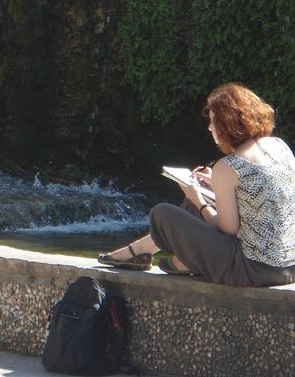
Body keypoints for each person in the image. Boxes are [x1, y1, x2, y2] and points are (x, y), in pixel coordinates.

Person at [97, 83, 295, 287]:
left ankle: (175, 259)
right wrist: (214, 182)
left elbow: (228, 228)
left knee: (162, 214)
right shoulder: (280, 146)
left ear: (227, 124)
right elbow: (263, 193)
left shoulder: (229, 166)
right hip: (289, 267)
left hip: (251, 270)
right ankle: (148, 253)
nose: (209, 128)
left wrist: (198, 200)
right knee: (204, 194)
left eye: (212, 122)